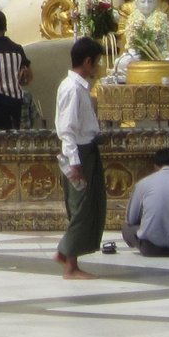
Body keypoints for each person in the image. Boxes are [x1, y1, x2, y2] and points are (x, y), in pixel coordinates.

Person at [55, 35, 106, 279]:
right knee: (81, 207)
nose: (96, 68)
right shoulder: (72, 89)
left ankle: (68, 255)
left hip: (87, 149)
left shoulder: (80, 88)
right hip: (79, 152)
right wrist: (74, 162)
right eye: (95, 62)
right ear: (87, 62)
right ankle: (68, 260)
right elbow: (67, 129)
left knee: (90, 205)